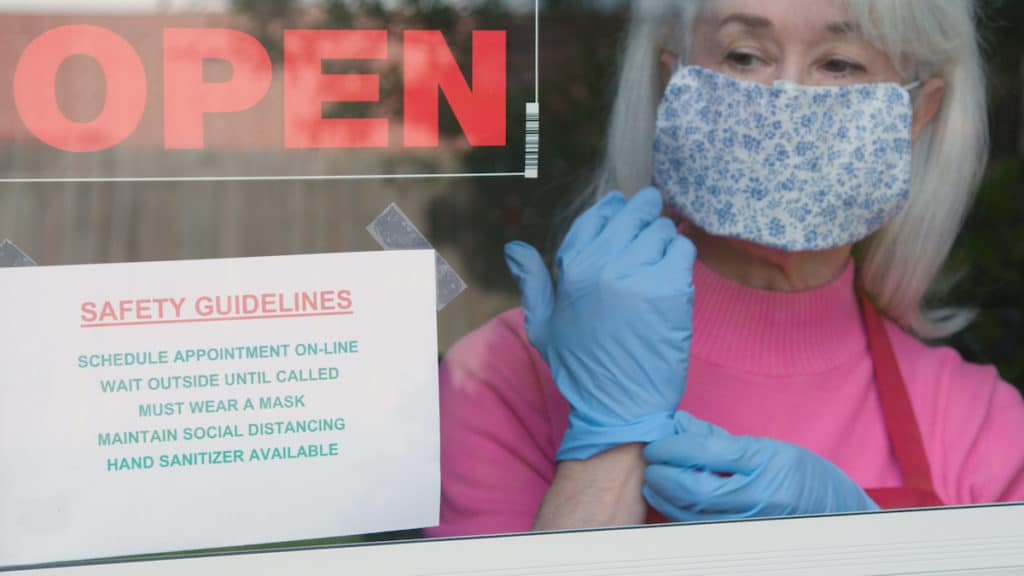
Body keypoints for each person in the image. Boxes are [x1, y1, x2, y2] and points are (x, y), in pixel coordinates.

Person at [424, 0, 1024, 537]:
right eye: (744, 56)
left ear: (919, 110)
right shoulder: (505, 379)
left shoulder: (983, 431)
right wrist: (606, 448)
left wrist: (868, 546)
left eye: (840, 64)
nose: (787, 97)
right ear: (672, 78)